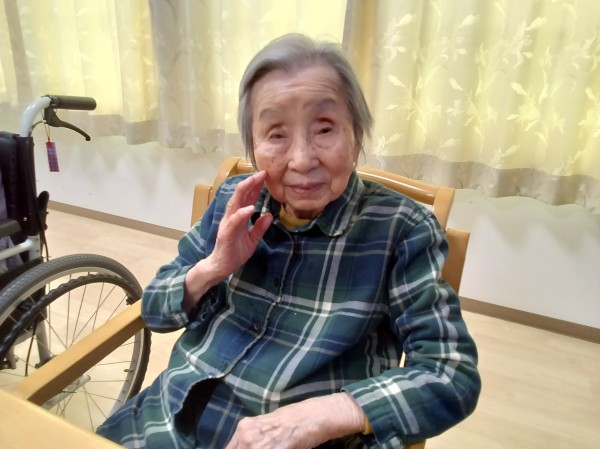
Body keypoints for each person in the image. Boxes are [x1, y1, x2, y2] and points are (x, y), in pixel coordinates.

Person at [97, 33, 481, 449]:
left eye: (324, 128)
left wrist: (326, 414)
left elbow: (451, 373)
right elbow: (155, 311)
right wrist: (213, 267)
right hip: (168, 420)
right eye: (276, 134)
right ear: (254, 147)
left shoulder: (402, 229)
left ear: (357, 136)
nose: (301, 160)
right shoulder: (234, 201)